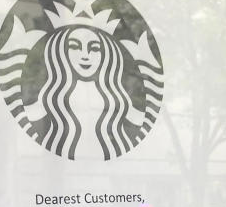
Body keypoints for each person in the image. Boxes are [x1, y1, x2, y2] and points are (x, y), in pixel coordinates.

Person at [25, 24, 147, 161]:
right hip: (63, 165)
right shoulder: (54, 93)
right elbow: (26, 116)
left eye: (94, 48)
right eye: (75, 47)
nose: (85, 55)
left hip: (106, 165)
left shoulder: (114, 95)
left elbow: (141, 120)